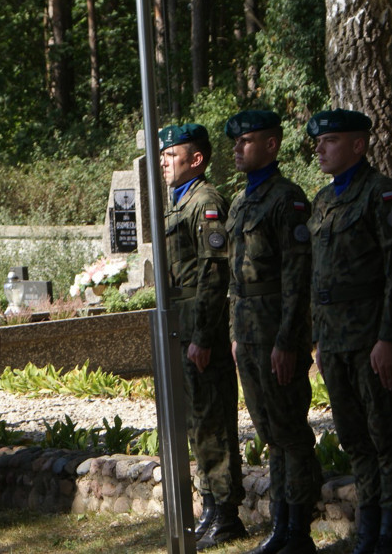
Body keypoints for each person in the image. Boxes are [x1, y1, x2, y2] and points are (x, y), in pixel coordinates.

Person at [306, 109, 392, 554]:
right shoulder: (322, 200)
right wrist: (317, 340)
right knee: (355, 439)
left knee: (387, 437)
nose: (320, 148)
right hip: (334, 343)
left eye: (330, 140)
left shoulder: (381, 194)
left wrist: (388, 338)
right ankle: (367, 532)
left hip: (373, 338)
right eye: (319, 141)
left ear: (358, 145)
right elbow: (318, 276)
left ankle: (390, 535)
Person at [223, 110, 320, 554]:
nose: (239, 149)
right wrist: (236, 333)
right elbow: (236, 277)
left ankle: (297, 529)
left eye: (247, 141)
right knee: (270, 432)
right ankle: (281, 525)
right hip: (249, 331)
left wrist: (287, 340)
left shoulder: (288, 199)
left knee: (290, 432)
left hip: (278, 333)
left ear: (272, 145)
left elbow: (298, 277)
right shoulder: (242, 201)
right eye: (237, 142)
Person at [158, 124, 246, 550]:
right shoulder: (177, 205)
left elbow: (214, 274)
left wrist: (205, 335)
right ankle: (210, 503)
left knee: (213, 420)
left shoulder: (205, 202)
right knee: (195, 422)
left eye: (171, 155)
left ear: (197, 159)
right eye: (163, 157)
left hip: (198, 324)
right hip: (183, 322)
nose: (163, 163)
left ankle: (226, 512)